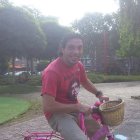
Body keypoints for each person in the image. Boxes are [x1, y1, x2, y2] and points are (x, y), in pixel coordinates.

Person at [41, 33, 109, 140]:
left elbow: (85, 81)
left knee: (100, 133)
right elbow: (48, 106)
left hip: (75, 109)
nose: (76, 52)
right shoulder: (52, 72)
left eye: (79, 48)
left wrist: (99, 94)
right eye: (71, 47)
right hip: (57, 114)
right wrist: (77, 107)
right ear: (62, 49)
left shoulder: (78, 65)